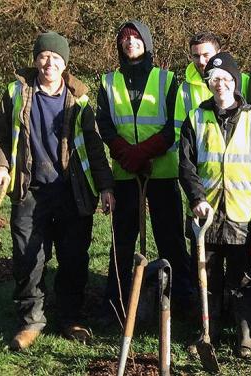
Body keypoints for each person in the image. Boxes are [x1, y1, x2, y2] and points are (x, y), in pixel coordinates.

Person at [0, 31, 115, 350]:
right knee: (28, 258)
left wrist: (106, 186)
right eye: (44, 56)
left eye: (56, 58)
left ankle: (70, 316)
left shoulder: (80, 100)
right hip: (29, 190)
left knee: (73, 257)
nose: (49, 63)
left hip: (72, 192)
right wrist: (0, 165)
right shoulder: (17, 93)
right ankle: (31, 320)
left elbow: (95, 147)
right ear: (36, 59)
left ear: (65, 64)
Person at [178, 52, 251, 357]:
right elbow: (186, 165)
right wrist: (196, 198)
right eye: (214, 79)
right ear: (208, 83)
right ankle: (207, 331)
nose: (220, 84)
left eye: (226, 79)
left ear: (235, 82)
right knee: (207, 275)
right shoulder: (195, 118)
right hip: (205, 215)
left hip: (241, 214)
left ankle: (245, 334)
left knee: (242, 277)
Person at [96, 20, 192, 321]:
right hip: (126, 174)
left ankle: (183, 303)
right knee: (122, 242)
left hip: (161, 172)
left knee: (171, 239)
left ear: (147, 42)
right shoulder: (108, 81)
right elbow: (105, 125)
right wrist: (127, 155)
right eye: (124, 37)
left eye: (135, 36)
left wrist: (143, 152)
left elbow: (173, 126)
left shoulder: (166, 79)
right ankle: (117, 304)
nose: (129, 41)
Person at [174, 32, 250, 134]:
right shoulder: (184, 89)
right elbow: (179, 129)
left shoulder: (243, 81)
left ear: (218, 53)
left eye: (206, 55)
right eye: (196, 56)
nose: (201, 61)